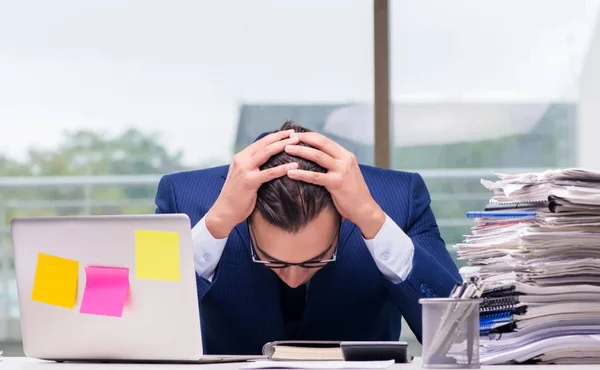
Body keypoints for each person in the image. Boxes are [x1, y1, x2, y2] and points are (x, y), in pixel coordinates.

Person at [155, 121, 461, 355]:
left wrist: (374, 221)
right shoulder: (180, 198)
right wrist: (215, 224)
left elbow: (461, 335)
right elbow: (128, 313)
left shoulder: (401, 197)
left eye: (316, 259)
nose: (292, 278)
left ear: (342, 215)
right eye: (271, 259)